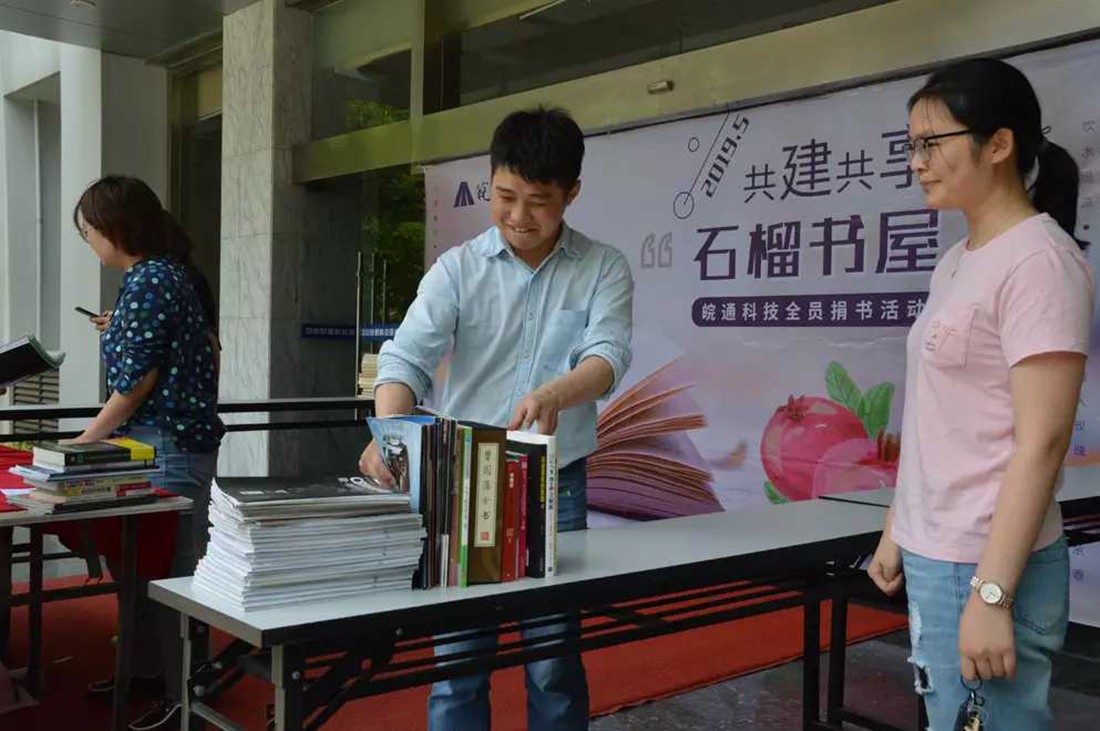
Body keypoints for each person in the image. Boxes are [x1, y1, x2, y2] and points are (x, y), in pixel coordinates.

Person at [358, 107, 633, 731]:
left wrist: (557, 392)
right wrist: (390, 432)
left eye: (539, 201)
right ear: (490, 182)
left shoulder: (602, 267)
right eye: (505, 196)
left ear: (571, 194)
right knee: (458, 659)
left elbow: (608, 356)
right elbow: (406, 358)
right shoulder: (458, 268)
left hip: (556, 481)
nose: (518, 216)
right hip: (465, 479)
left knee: (553, 657)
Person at [867, 58, 1095, 730]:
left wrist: (992, 595)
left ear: (998, 144)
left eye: (931, 143)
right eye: (911, 144)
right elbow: (936, 416)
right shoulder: (959, 260)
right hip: (938, 549)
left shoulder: (1040, 263)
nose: (916, 162)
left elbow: (1042, 443)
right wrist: (897, 528)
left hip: (985, 558)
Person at [71, 175, 225, 731]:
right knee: (142, 574)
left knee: (170, 580)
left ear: (115, 227)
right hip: (163, 444)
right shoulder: (162, 276)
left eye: (89, 231)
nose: (89, 242)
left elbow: (137, 380)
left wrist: (85, 440)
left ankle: (186, 698)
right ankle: (147, 675)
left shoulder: (151, 280)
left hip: (167, 446)